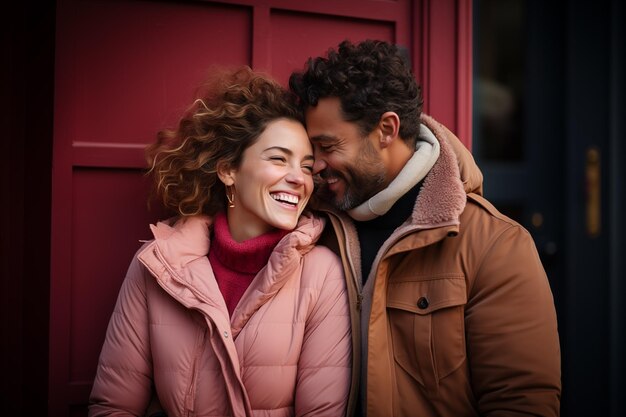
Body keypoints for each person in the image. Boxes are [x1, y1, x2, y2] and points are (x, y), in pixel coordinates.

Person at [289, 39, 561, 417]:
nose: (315, 165)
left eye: (327, 146)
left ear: (386, 129)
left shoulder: (495, 246)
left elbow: (522, 403)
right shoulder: (309, 230)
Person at [88, 66, 352, 417]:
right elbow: (113, 406)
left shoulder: (321, 275)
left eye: (306, 166)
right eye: (278, 159)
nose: (297, 178)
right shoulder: (158, 266)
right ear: (228, 170)